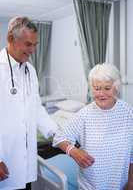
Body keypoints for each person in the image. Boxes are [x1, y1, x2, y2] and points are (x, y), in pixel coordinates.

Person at [53, 63, 133, 190]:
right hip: (90, 185)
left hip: (120, 184)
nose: (101, 93)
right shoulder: (84, 114)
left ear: (116, 88)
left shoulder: (129, 113)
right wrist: (73, 151)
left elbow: (132, 154)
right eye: (97, 88)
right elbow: (59, 137)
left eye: (107, 88)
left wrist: (131, 182)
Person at [0, 16, 58, 190]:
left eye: (35, 44)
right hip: (4, 160)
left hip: (25, 161)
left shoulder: (30, 70)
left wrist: (56, 133)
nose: (32, 50)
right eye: (28, 44)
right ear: (11, 39)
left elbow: (36, 108)